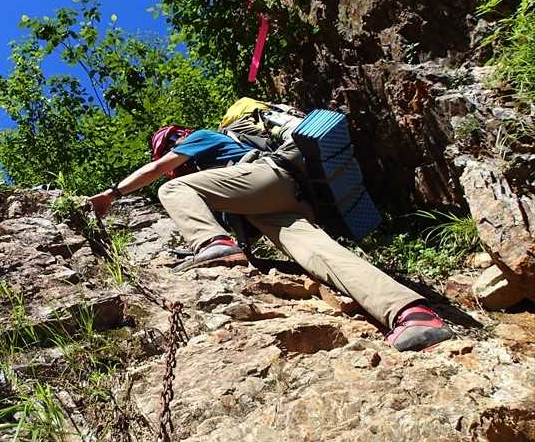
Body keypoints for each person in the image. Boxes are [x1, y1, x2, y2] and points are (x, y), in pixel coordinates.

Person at [88, 125, 455, 352]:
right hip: (277, 202)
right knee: (321, 257)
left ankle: (212, 244)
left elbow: (157, 171)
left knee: (172, 190)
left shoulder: (199, 139)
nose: (173, 162)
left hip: (261, 175)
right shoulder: (214, 175)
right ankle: (413, 314)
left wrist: (112, 193)